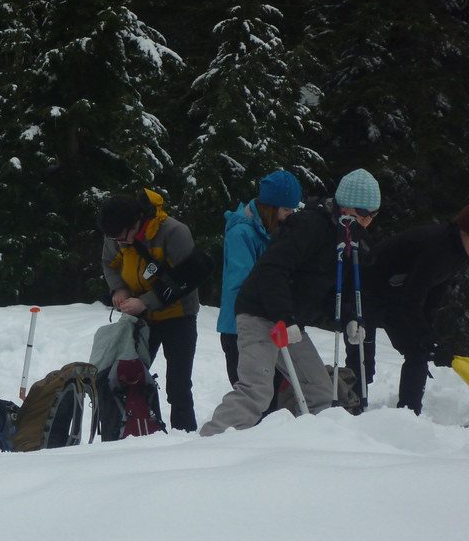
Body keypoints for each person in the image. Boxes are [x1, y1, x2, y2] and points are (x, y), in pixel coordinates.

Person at [199, 168, 381, 436]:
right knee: (256, 391)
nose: (368, 221)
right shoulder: (311, 225)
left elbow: (326, 290)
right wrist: (283, 316)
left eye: (374, 215)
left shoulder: (345, 238)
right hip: (261, 313)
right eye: (364, 214)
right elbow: (271, 270)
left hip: (291, 321)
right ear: (346, 207)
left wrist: (349, 318)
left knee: (320, 392)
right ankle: (210, 442)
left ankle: (299, 445)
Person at [344, 202, 469, 414]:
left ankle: (409, 414)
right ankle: (348, 414)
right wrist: (427, 336)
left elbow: (432, 297)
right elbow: (413, 298)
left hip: (396, 294)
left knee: (418, 352)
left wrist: (430, 338)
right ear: (464, 231)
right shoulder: (437, 247)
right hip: (366, 291)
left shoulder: (459, 254)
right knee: (363, 363)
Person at [99, 189, 208, 432]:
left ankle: (185, 436)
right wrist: (119, 289)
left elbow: (187, 277)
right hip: (142, 318)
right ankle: (139, 432)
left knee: (178, 385)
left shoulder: (174, 232)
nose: (120, 243)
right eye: (114, 239)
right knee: (130, 377)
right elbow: (109, 263)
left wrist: (146, 301)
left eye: (122, 238)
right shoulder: (116, 234)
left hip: (179, 315)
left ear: (136, 222)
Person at [218, 169, 302, 385]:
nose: (290, 215)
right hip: (240, 329)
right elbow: (242, 282)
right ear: (270, 207)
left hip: (268, 324)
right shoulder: (241, 233)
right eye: (286, 209)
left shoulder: (273, 230)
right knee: (254, 394)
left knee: (278, 395)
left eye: (293, 209)